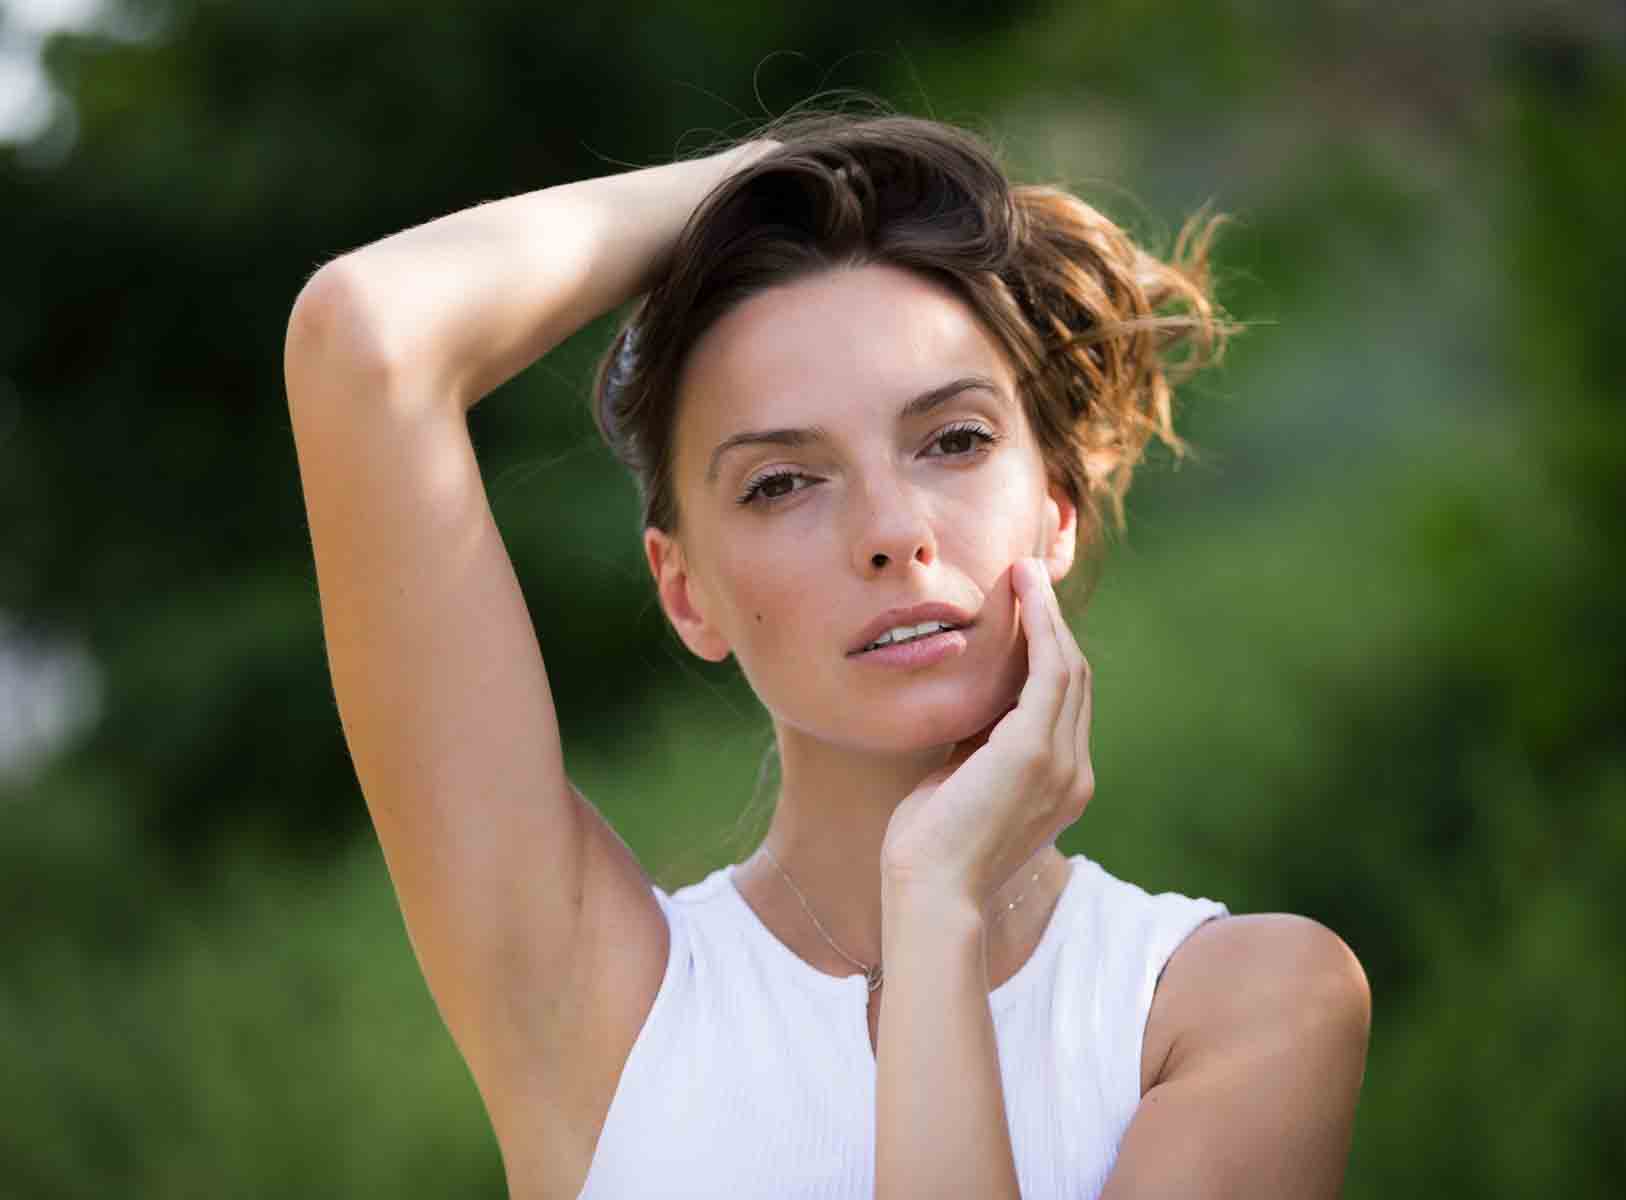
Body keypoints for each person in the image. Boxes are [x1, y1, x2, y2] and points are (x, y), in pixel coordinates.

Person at [283, 102, 1371, 1199]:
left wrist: (938, 901)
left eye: (954, 440)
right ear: (686, 592)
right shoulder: (595, 1005)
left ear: (1055, 508)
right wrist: (771, 171)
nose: (894, 530)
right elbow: (366, 335)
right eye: (783, 482)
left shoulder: (1241, 1007)